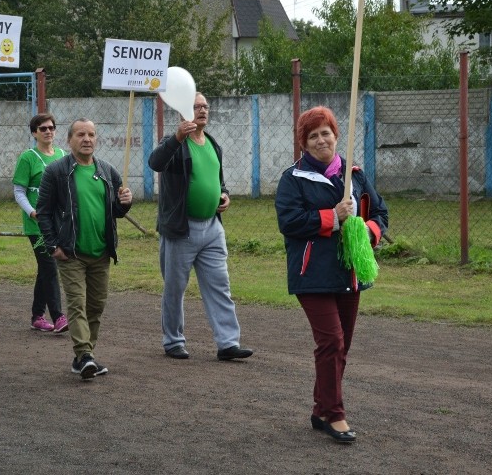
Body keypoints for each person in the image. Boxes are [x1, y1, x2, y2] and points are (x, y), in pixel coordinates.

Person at [275, 106, 388, 444]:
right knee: (331, 341)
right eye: (313, 135)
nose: (321, 139)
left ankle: (320, 408)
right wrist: (333, 217)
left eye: (326, 132)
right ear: (304, 144)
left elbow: (380, 212)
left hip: (349, 272)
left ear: (336, 136)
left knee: (341, 346)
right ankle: (335, 415)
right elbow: (290, 222)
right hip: (311, 274)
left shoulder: (354, 174)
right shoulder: (292, 179)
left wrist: (366, 230)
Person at [148, 93, 253, 362]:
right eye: (196, 107)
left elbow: (218, 179)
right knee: (175, 287)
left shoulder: (213, 143)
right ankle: (173, 341)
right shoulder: (174, 144)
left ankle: (228, 343)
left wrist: (225, 194)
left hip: (212, 229)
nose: (203, 110)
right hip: (181, 229)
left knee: (220, 285)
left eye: (205, 106)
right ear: (182, 113)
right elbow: (155, 163)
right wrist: (177, 138)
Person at [36, 118, 132, 380]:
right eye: (80, 134)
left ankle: (81, 357)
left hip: (101, 253)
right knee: (77, 304)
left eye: (91, 134)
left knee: (96, 307)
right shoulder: (56, 171)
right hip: (70, 253)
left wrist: (126, 202)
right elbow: (43, 212)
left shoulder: (108, 171)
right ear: (69, 140)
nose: (87, 139)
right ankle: (86, 355)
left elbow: (116, 212)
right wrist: (52, 244)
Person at [13, 113, 67, 333]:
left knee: (45, 269)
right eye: (42, 128)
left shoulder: (63, 155)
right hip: (37, 225)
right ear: (34, 132)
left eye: (51, 127)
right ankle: (59, 316)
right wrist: (32, 211)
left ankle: (37, 315)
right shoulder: (28, 158)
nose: (48, 131)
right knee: (49, 266)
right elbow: (19, 191)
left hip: (59, 223)